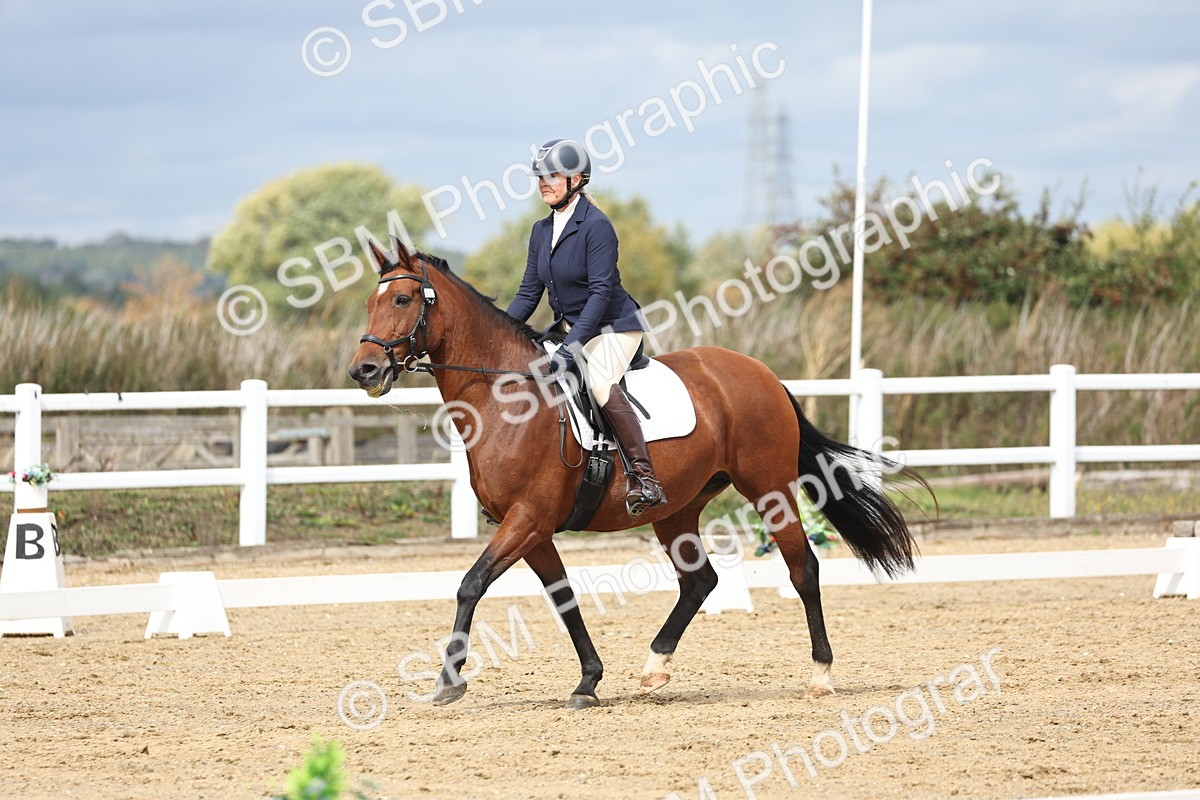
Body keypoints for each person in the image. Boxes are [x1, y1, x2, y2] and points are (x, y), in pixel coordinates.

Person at [505, 138, 668, 517]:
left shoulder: (597, 226)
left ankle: (645, 477)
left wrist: (572, 347)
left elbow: (600, 293)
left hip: (613, 327)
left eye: (552, 175)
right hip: (571, 327)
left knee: (596, 381)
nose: (543, 182)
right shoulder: (541, 230)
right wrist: (498, 330)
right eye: (539, 176)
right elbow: (529, 292)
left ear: (577, 179)